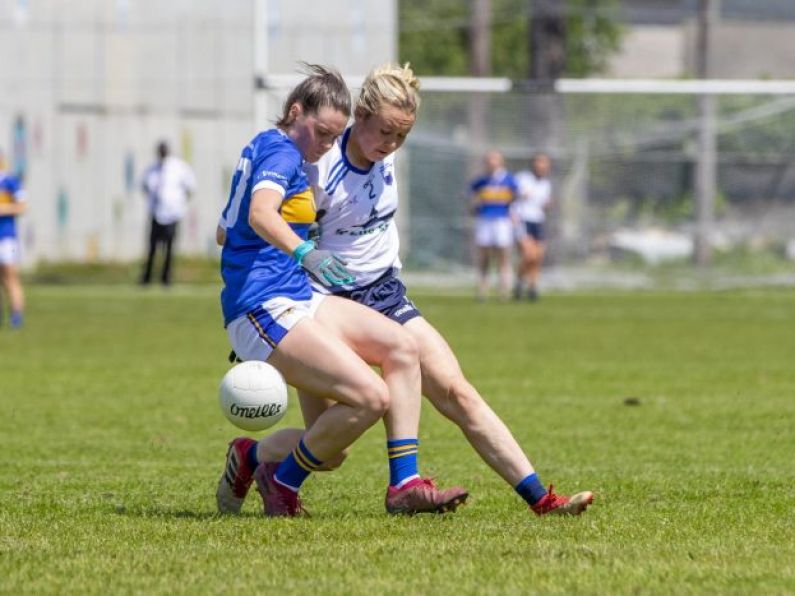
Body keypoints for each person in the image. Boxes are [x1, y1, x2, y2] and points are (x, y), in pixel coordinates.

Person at [247, 63, 592, 516]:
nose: (391, 145)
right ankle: (250, 458)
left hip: (385, 295)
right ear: (361, 115)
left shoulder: (385, 153)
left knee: (458, 391)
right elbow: (271, 226)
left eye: (401, 137)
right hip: (326, 306)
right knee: (331, 452)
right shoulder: (317, 165)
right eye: (385, 132)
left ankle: (540, 500)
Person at [214, 64, 467, 518]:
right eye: (321, 133)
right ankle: (281, 484)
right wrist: (303, 253)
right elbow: (259, 215)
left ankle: (400, 482)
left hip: (297, 298)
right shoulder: (284, 155)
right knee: (371, 398)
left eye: (334, 137)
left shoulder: (267, 149)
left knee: (399, 350)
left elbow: (223, 231)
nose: (326, 146)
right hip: (263, 307)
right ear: (295, 111)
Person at [140, 140, 196, 286]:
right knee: (152, 248)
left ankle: (166, 279)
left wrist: (179, 204)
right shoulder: (152, 169)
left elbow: (190, 187)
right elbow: (145, 186)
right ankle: (147, 278)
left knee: (169, 248)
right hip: (156, 212)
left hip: (172, 214)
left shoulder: (179, 167)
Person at [468, 150, 517, 301]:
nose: (491, 163)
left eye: (495, 160)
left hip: (502, 220)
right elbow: (470, 197)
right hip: (485, 220)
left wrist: (514, 214)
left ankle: (504, 289)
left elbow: (515, 199)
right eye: (489, 160)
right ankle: (483, 289)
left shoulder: (509, 180)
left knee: (503, 256)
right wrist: (473, 207)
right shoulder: (481, 181)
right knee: (484, 256)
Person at [512, 153, 553, 301]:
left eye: (544, 163)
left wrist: (548, 204)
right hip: (523, 220)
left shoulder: (546, 184)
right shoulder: (522, 178)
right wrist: (513, 214)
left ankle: (533, 287)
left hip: (538, 221)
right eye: (539, 162)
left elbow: (542, 204)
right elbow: (512, 197)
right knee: (529, 255)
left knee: (538, 257)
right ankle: (519, 282)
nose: (541, 166)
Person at [0, 151, 26, 329]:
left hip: (7, 236)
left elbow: (22, 207)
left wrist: (3, 209)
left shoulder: (10, 182)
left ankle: (17, 315)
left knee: (10, 276)